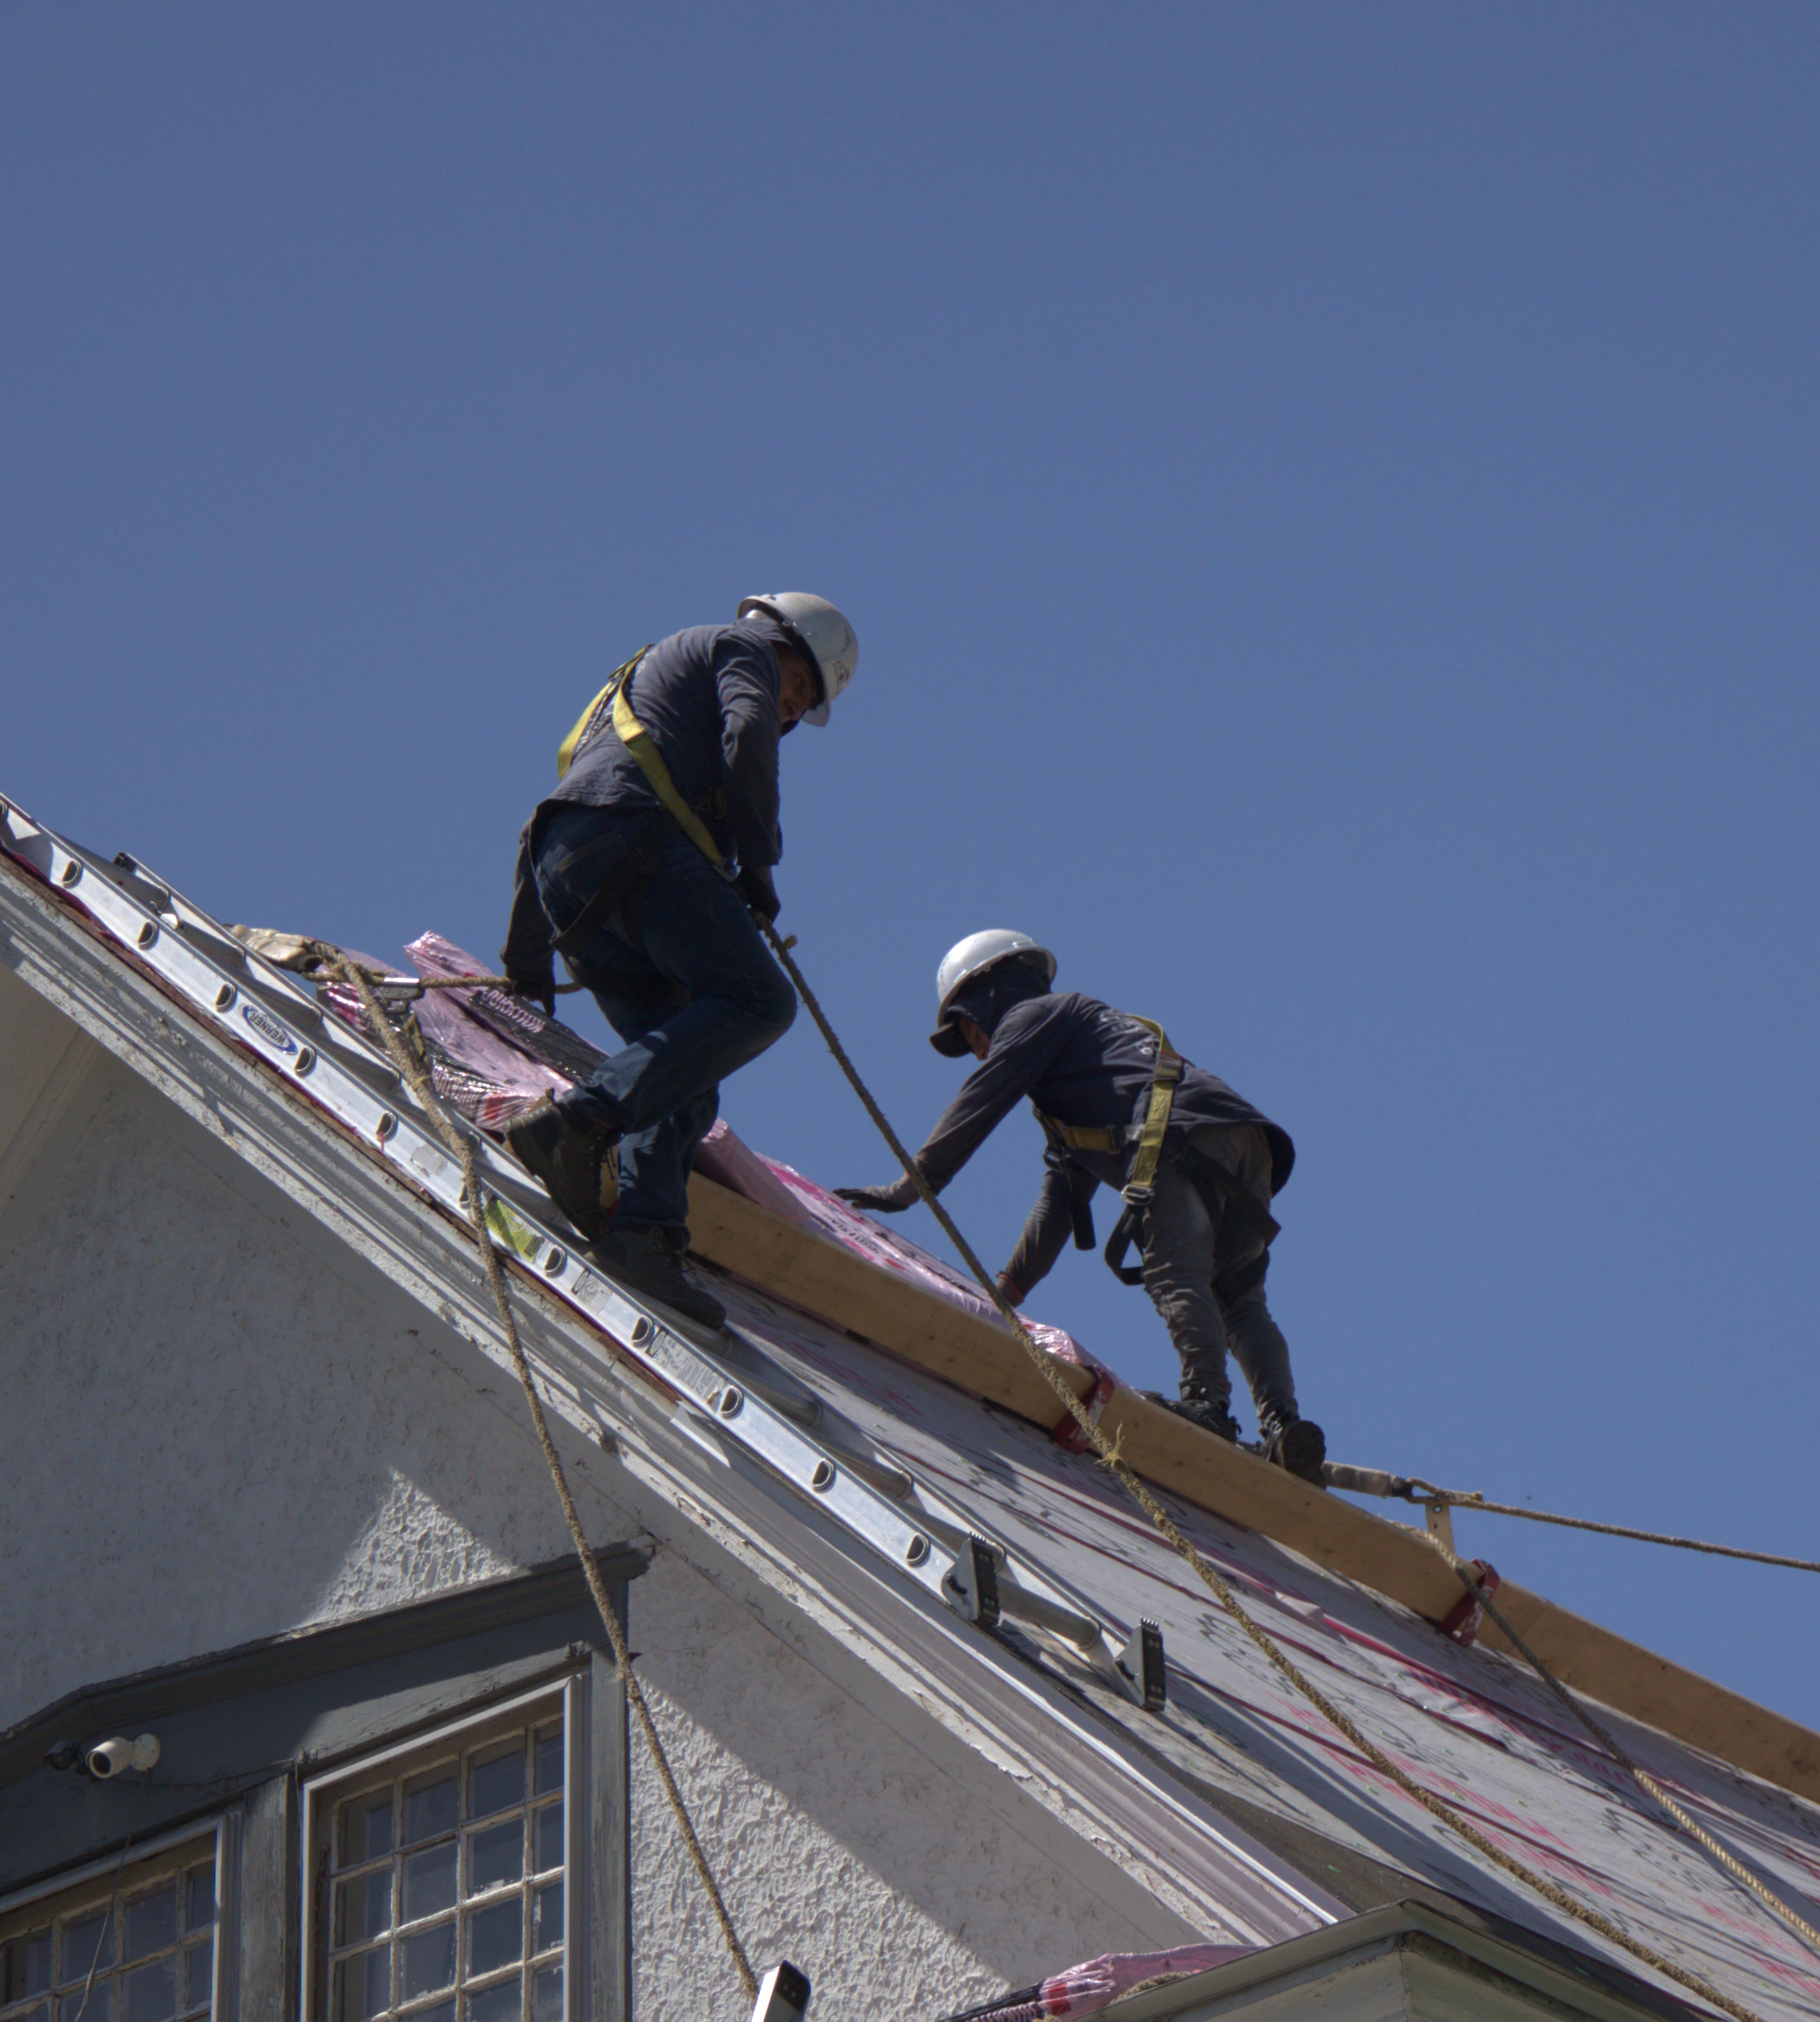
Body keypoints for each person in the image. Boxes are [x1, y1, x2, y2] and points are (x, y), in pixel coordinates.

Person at [834, 928, 1320, 1475]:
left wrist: (906, 1189)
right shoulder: (1084, 1061)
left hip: (1177, 1134)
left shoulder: (1033, 1017)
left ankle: (1207, 1403)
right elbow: (1061, 1201)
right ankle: (1284, 1427)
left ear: (989, 993)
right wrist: (1007, 1292)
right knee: (1240, 1299)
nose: (973, 1044)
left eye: (966, 1025)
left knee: (1175, 1274)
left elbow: (979, 1104)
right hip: (1242, 1140)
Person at [497, 596, 858, 1327]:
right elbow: (748, 731)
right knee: (759, 1002)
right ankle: (580, 1119)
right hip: (637, 843)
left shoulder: (629, 695)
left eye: (801, 707)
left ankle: (644, 1239)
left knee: (684, 1071)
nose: (789, 710)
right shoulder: (738, 646)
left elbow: (558, 813)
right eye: (797, 688)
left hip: (576, 877)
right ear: (780, 642)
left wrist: (526, 954)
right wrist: (757, 866)